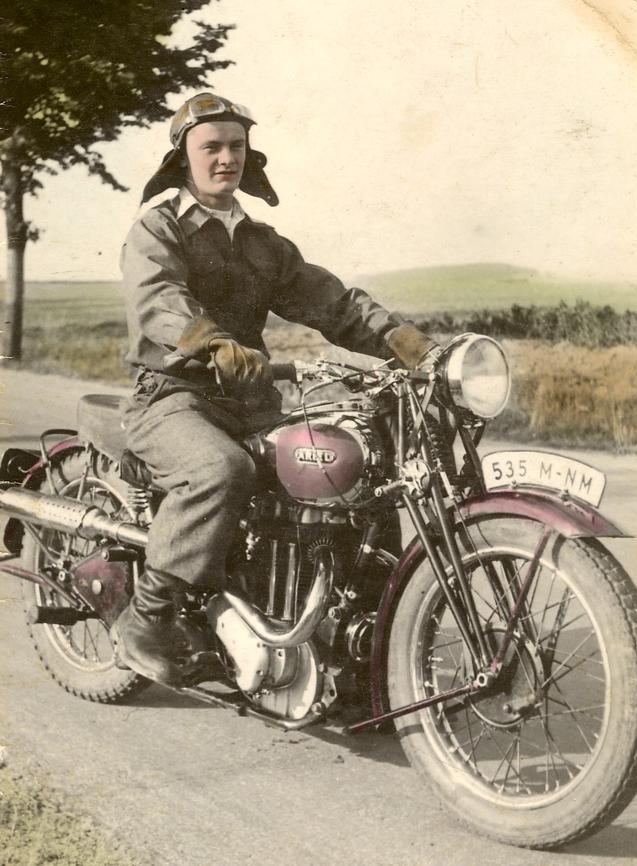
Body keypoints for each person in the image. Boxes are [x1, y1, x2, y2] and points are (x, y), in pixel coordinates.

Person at [111, 93, 438, 686]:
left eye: (236, 146)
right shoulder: (158, 228)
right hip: (171, 396)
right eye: (211, 146)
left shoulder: (261, 242)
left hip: (251, 400)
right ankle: (147, 617)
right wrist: (212, 344)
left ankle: (362, 654)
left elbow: (333, 303)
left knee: (356, 477)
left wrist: (410, 346)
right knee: (220, 471)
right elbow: (159, 299)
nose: (225, 158)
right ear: (184, 156)